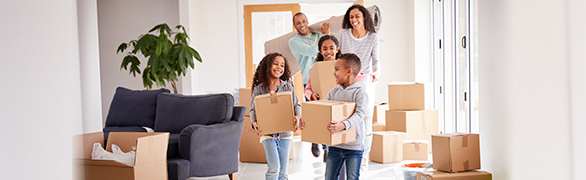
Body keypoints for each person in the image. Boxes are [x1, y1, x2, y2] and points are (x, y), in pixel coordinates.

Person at [301, 53, 368, 180]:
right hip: (335, 146)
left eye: (337, 69)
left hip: (354, 147)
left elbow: (360, 114)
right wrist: (306, 122)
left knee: (352, 177)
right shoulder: (334, 92)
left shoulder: (360, 93)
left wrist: (342, 125)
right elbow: (321, 111)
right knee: (329, 177)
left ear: (349, 72)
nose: (334, 73)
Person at [337, 4, 380, 171]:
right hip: (346, 84)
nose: (354, 20)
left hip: (365, 84)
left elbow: (376, 61)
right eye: (351, 17)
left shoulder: (373, 38)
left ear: (364, 18)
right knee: (347, 119)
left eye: (357, 16)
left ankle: (364, 157)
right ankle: (346, 155)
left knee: (366, 125)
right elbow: (338, 56)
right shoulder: (343, 34)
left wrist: (377, 73)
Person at [249, 52, 302, 180]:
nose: (279, 67)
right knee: (274, 168)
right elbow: (253, 109)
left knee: (283, 172)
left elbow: (297, 105)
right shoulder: (259, 89)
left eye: (282, 65)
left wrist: (298, 116)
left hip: (285, 134)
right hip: (267, 134)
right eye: (276, 64)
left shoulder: (288, 86)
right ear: (268, 66)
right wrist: (253, 122)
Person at [289, 12, 331, 158]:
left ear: (307, 21)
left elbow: (330, 47)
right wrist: (325, 35)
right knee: (315, 116)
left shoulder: (317, 35)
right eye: (298, 23)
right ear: (294, 25)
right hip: (310, 81)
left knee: (328, 115)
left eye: (304, 21)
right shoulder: (293, 42)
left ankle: (326, 148)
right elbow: (314, 50)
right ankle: (315, 140)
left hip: (326, 78)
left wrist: (325, 34)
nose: (302, 25)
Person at [303, 35, 341, 162]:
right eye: (325, 48)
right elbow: (307, 89)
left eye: (331, 48)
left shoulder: (343, 67)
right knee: (324, 125)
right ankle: (323, 146)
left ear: (337, 49)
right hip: (321, 104)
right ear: (320, 51)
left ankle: (327, 148)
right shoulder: (315, 69)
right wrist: (312, 95)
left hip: (337, 104)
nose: (328, 51)